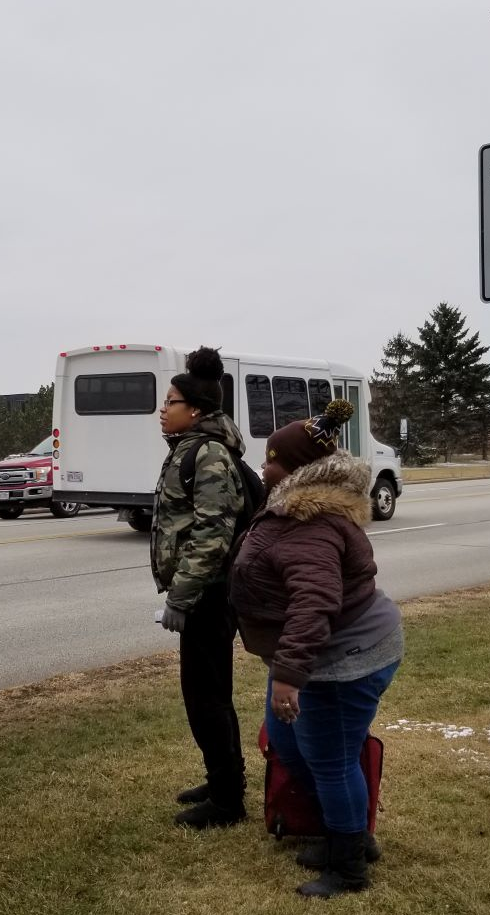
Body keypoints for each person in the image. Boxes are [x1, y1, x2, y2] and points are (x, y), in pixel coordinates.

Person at [229, 399, 403, 898]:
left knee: (331, 758)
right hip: (312, 656)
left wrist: (288, 675)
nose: (263, 467)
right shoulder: (287, 510)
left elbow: (315, 602)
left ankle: (349, 864)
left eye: (272, 459)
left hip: (345, 658)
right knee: (289, 745)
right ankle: (347, 833)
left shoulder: (309, 523)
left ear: (297, 471)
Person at [150, 346, 248, 829]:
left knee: (205, 696)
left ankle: (228, 800)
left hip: (209, 595)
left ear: (196, 411)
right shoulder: (191, 449)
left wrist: (180, 598)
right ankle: (224, 777)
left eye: (170, 401)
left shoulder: (207, 454)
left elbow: (213, 534)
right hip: (204, 593)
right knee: (212, 693)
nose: (162, 410)